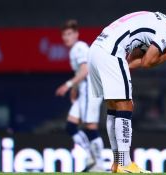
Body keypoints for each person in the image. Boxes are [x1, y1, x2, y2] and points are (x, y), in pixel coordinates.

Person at [87, 11, 166, 173]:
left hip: (96, 51)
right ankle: (125, 164)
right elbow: (147, 63)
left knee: (114, 106)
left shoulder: (158, 23)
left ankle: (118, 163)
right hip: (111, 52)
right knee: (126, 106)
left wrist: (164, 53)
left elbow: (131, 62)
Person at [55, 19, 105, 172]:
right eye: (64, 34)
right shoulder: (75, 50)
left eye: (69, 34)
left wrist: (68, 85)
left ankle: (99, 164)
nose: (66, 37)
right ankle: (91, 158)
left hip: (91, 90)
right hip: (84, 90)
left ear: (76, 34)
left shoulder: (79, 47)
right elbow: (80, 72)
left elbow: (85, 70)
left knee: (90, 127)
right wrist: (75, 89)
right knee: (70, 126)